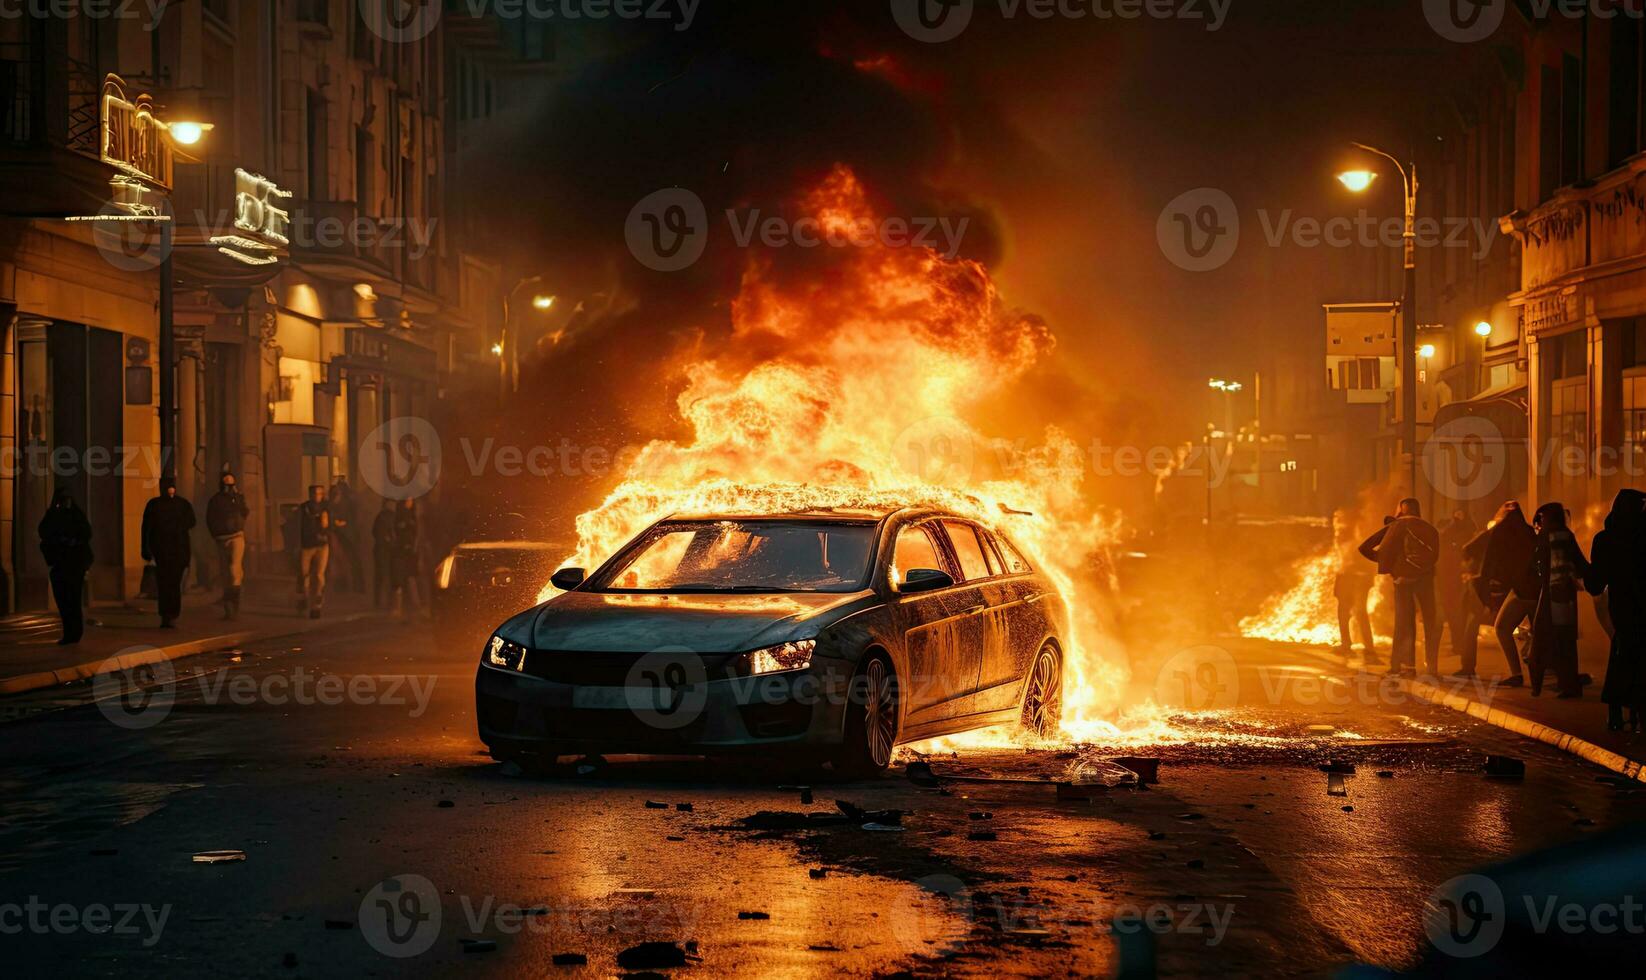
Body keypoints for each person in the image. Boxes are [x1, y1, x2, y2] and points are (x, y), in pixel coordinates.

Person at [1359, 497, 1441, 676]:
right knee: (1430, 622)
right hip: (1425, 579)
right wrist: (1419, 571)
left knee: (1404, 624)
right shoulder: (1431, 529)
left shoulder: (1396, 526)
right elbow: (1435, 556)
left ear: (1402, 509)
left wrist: (1390, 565)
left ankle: (1403, 667)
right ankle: (1432, 668)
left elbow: (1364, 547)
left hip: (1402, 581)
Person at [1586, 490, 1646, 729]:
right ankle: (1635, 711)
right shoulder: (1641, 537)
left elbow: (1596, 581)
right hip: (1639, 604)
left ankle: (1616, 711)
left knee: (1623, 652)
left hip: (1622, 606)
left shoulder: (1605, 539)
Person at [1528, 502, 1590, 698]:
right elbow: (1580, 564)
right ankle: (1569, 683)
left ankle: (1541, 685)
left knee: (1542, 638)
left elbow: (1534, 564)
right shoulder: (1567, 535)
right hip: (1567, 595)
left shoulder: (1545, 536)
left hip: (1550, 594)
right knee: (1566, 640)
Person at [1478, 500, 1535, 687]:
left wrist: (1484, 589)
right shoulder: (1529, 531)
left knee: (1502, 628)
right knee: (1540, 631)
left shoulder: (1499, 532)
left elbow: (1487, 563)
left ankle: (1518, 673)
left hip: (1520, 590)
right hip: (1538, 588)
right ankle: (1546, 670)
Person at [38, 488, 93, 644]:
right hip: (60, 565)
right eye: (62, 499)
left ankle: (75, 633)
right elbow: (44, 532)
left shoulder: (76, 515)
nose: (65, 502)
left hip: (74, 565)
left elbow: (86, 533)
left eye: (67, 499)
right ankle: (69, 632)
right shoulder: (53, 516)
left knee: (73, 600)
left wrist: (72, 541)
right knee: (63, 600)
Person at [141, 477, 196, 628]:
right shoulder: (158, 505)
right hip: (165, 551)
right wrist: (146, 550)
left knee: (171, 583)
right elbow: (146, 528)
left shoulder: (178, 504)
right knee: (167, 583)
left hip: (173, 550)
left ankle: (169, 614)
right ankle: (168, 614)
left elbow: (191, 522)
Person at [1331, 510, 1378, 664]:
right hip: (1347, 579)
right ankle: (1347, 645)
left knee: (1359, 613)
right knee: (1345, 613)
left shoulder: (1359, 539)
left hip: (1356, 580)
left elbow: (1367, 562)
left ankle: (1369, 651)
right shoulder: (1346, 538)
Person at [206, 472, 250, 619]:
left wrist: (237, 496)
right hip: (221, 537)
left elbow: (245, 512)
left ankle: (235, 601)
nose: (229, 488)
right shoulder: (216, 500)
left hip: (236, 536)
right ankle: (229, 607)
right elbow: (210, 518)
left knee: (233, 569)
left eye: (231, 485)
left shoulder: (236, 499)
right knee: (225, 573)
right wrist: (214, 534)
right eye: (226, 485)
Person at [1438, 508, 1477, 669]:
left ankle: (1461, 646)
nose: (1458, 516)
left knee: (1461, 612)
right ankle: (1457, 645)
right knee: (1452, 611)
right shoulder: (1450, 531)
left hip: (1463, 577)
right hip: (1450, 576)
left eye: (1461, 513)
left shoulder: (1469, 531)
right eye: (1456, 513)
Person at [297, 484, 330, 618]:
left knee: (319, 575)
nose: (318, 496)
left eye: (320, 494)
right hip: (307, 545)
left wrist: (328, 524)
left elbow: (330, 525)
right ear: (310, 495)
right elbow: (298, 526)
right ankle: (304, 598)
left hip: (322, 545)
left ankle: (317, 604)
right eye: (315, 494)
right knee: (304, 575)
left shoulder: (326, 508)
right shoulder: (304, 508)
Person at [329, 477, 364, 593]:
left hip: (347, 534)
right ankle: (349, 586)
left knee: (350, 560)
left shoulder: (346, 502)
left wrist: (341, 523)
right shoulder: (344, 501)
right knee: (345, 560)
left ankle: (354, 586)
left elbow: (352, 517)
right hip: (345, 534)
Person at [393, 498, 422, 616]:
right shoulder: (401, 516)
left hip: (410, 551)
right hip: (402, 550)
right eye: (408, 500)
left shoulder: (412, 516)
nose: (410, 502)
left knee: (410, 577)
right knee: (402, 578)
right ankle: (401, 607)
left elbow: (415, 533)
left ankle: (414, 604)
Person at [372, 499, 398, 609]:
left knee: (388, 576)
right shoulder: (382, 517)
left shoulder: (393, 516)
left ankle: (386, 602)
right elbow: (375, 532)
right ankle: (379, 602)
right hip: (382, 550)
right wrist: (385, 538)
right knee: (382, 576)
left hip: (390, 550)